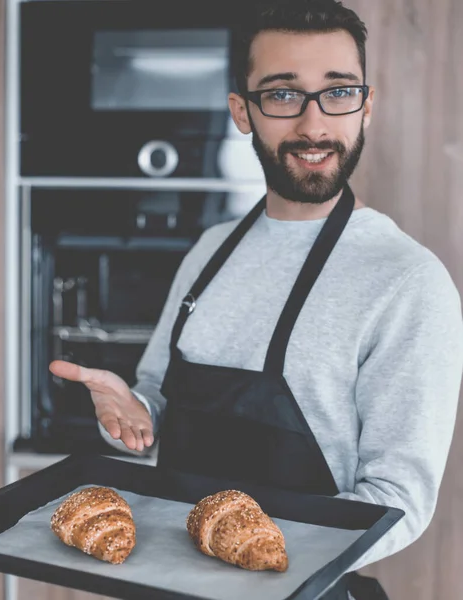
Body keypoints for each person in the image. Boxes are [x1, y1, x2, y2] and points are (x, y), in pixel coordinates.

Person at [49, 0, 463, 598]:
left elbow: (399, 501)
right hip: (164, 582)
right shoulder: (211, 249)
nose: (314, 125)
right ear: (242, 111)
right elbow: (159, 400)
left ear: (366, 106)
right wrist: (134, 415)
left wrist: (250, 554)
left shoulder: (406, 282)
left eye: (339, 92)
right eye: (283, 94)